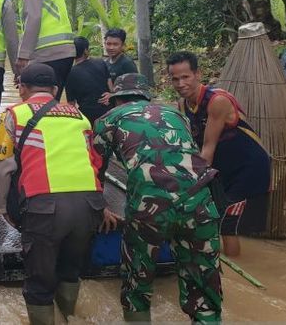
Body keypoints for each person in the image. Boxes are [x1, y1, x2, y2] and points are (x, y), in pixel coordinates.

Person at [93, 74, 223, 323]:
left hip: (149, 205)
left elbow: (93, 170)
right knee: (204, 283)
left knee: (137, 281)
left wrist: (100, 207)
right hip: (200, 201)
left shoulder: (107, 120)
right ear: (146, 96)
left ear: (116, 98)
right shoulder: (177, 116)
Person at [0, 63, 109, 325]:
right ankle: (69, 316)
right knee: (70, 271)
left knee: (39, 282)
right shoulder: (79, 116)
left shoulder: (13, 114)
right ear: (56, 89)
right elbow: (95, 161)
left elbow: (2, 167)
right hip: (90, 203)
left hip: (45, 206)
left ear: (22, 87)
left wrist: (0, 209)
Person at [167, 51, 272, 256]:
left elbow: (207, 148)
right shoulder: (183, 105)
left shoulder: (217, 101)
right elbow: (190, 145)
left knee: (226, 223)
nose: (180, 83)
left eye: (185, 77)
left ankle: (237, 274)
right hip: (223, 168)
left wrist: (191, 186)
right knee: (214, 215)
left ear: (198, 74)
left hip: (248, 167)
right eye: (175, 79)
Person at [7, 0, 75, 99]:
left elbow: (33, 16)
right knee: (53, 103)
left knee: (38, 104)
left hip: (47, 52)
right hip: (65, 51)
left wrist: (23, 55)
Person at [65, 36, 111, 125]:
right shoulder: (101, 62)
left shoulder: (70, 73)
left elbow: (71, 104)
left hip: (88, 116)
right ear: (86, 50)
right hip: (108, 110)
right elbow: (111, 87)